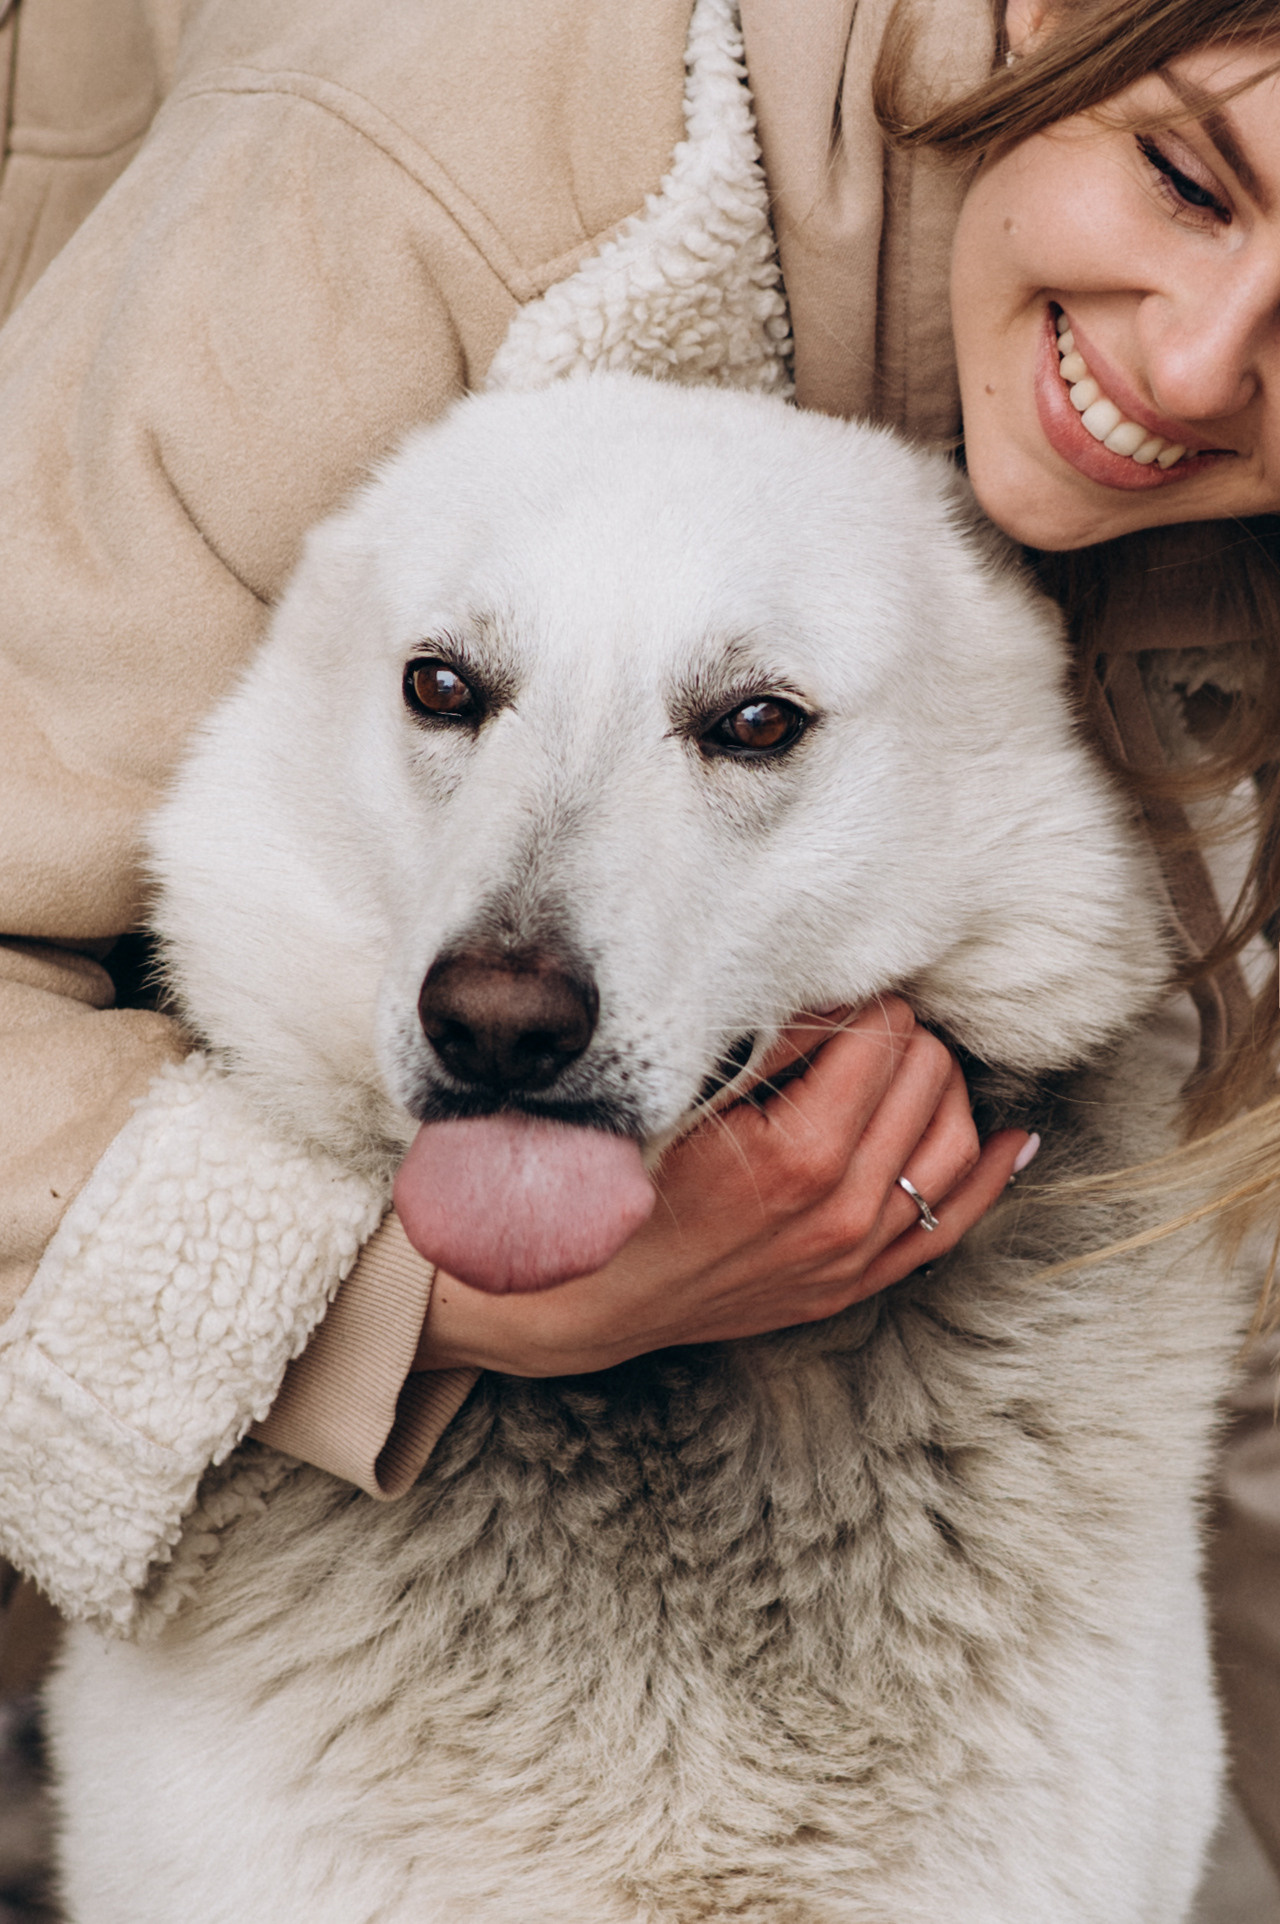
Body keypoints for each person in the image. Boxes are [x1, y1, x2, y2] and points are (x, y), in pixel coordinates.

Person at [0, 0, 1276, 1858]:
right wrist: (403, 1308)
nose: (1193, 362)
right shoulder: (407, 179)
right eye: (1182, 178)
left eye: (754, 726)